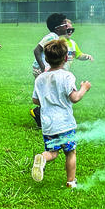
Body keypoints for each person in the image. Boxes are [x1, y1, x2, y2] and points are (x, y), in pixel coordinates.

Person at [31, 38, 91, 188]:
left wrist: (47, 100)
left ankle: (43, 158)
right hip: (65, 123)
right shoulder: (67, 76)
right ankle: (71, 182)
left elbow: (35, 100)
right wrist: (84, 87)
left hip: (48, 124)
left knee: (52, 152)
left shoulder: (40, 78)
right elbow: (75, 98)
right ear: (65, 58)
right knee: (70, 152)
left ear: (46, 59)